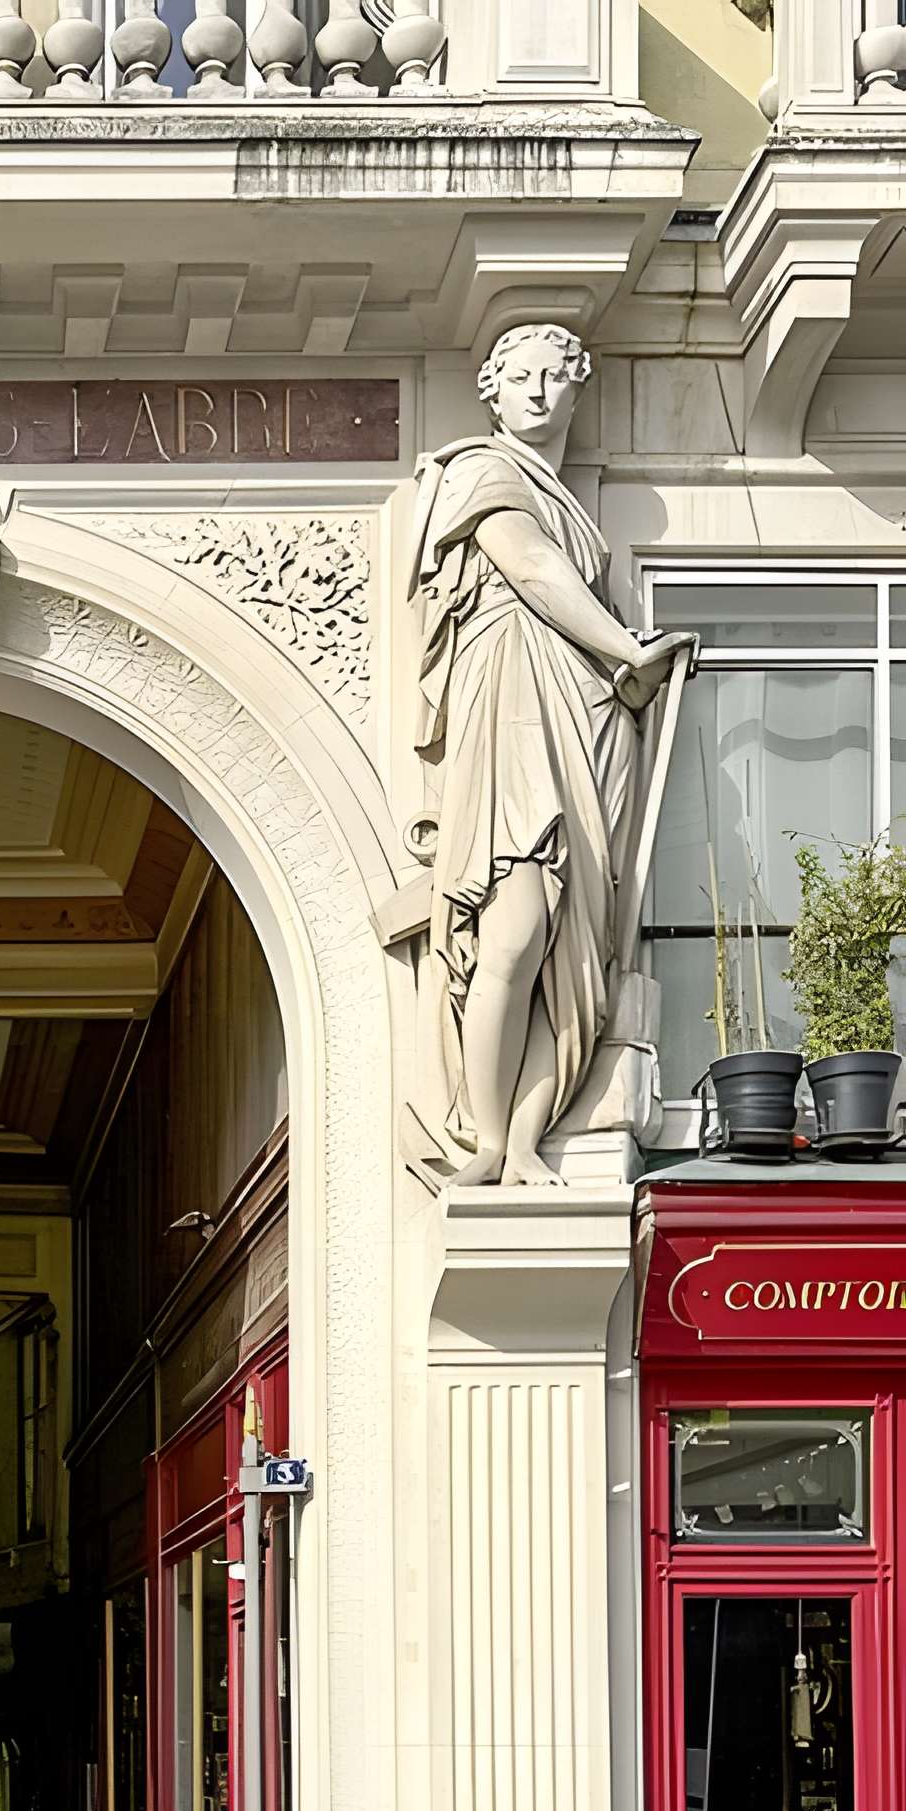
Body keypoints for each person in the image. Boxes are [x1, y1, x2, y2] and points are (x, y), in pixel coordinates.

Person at [412, 323, 693, 1186]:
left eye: (554, 378)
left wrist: (624, 676)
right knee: (517, 925)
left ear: (578, 387)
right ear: (492, 392)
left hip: (584, 722)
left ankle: (529, 1138)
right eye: (520, 378)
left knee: (575, 959)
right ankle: (489, 1138)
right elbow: (531, 567)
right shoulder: (479, 471)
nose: (538, 393)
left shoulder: (567, 499)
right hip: (517, 712)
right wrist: (627, 648)